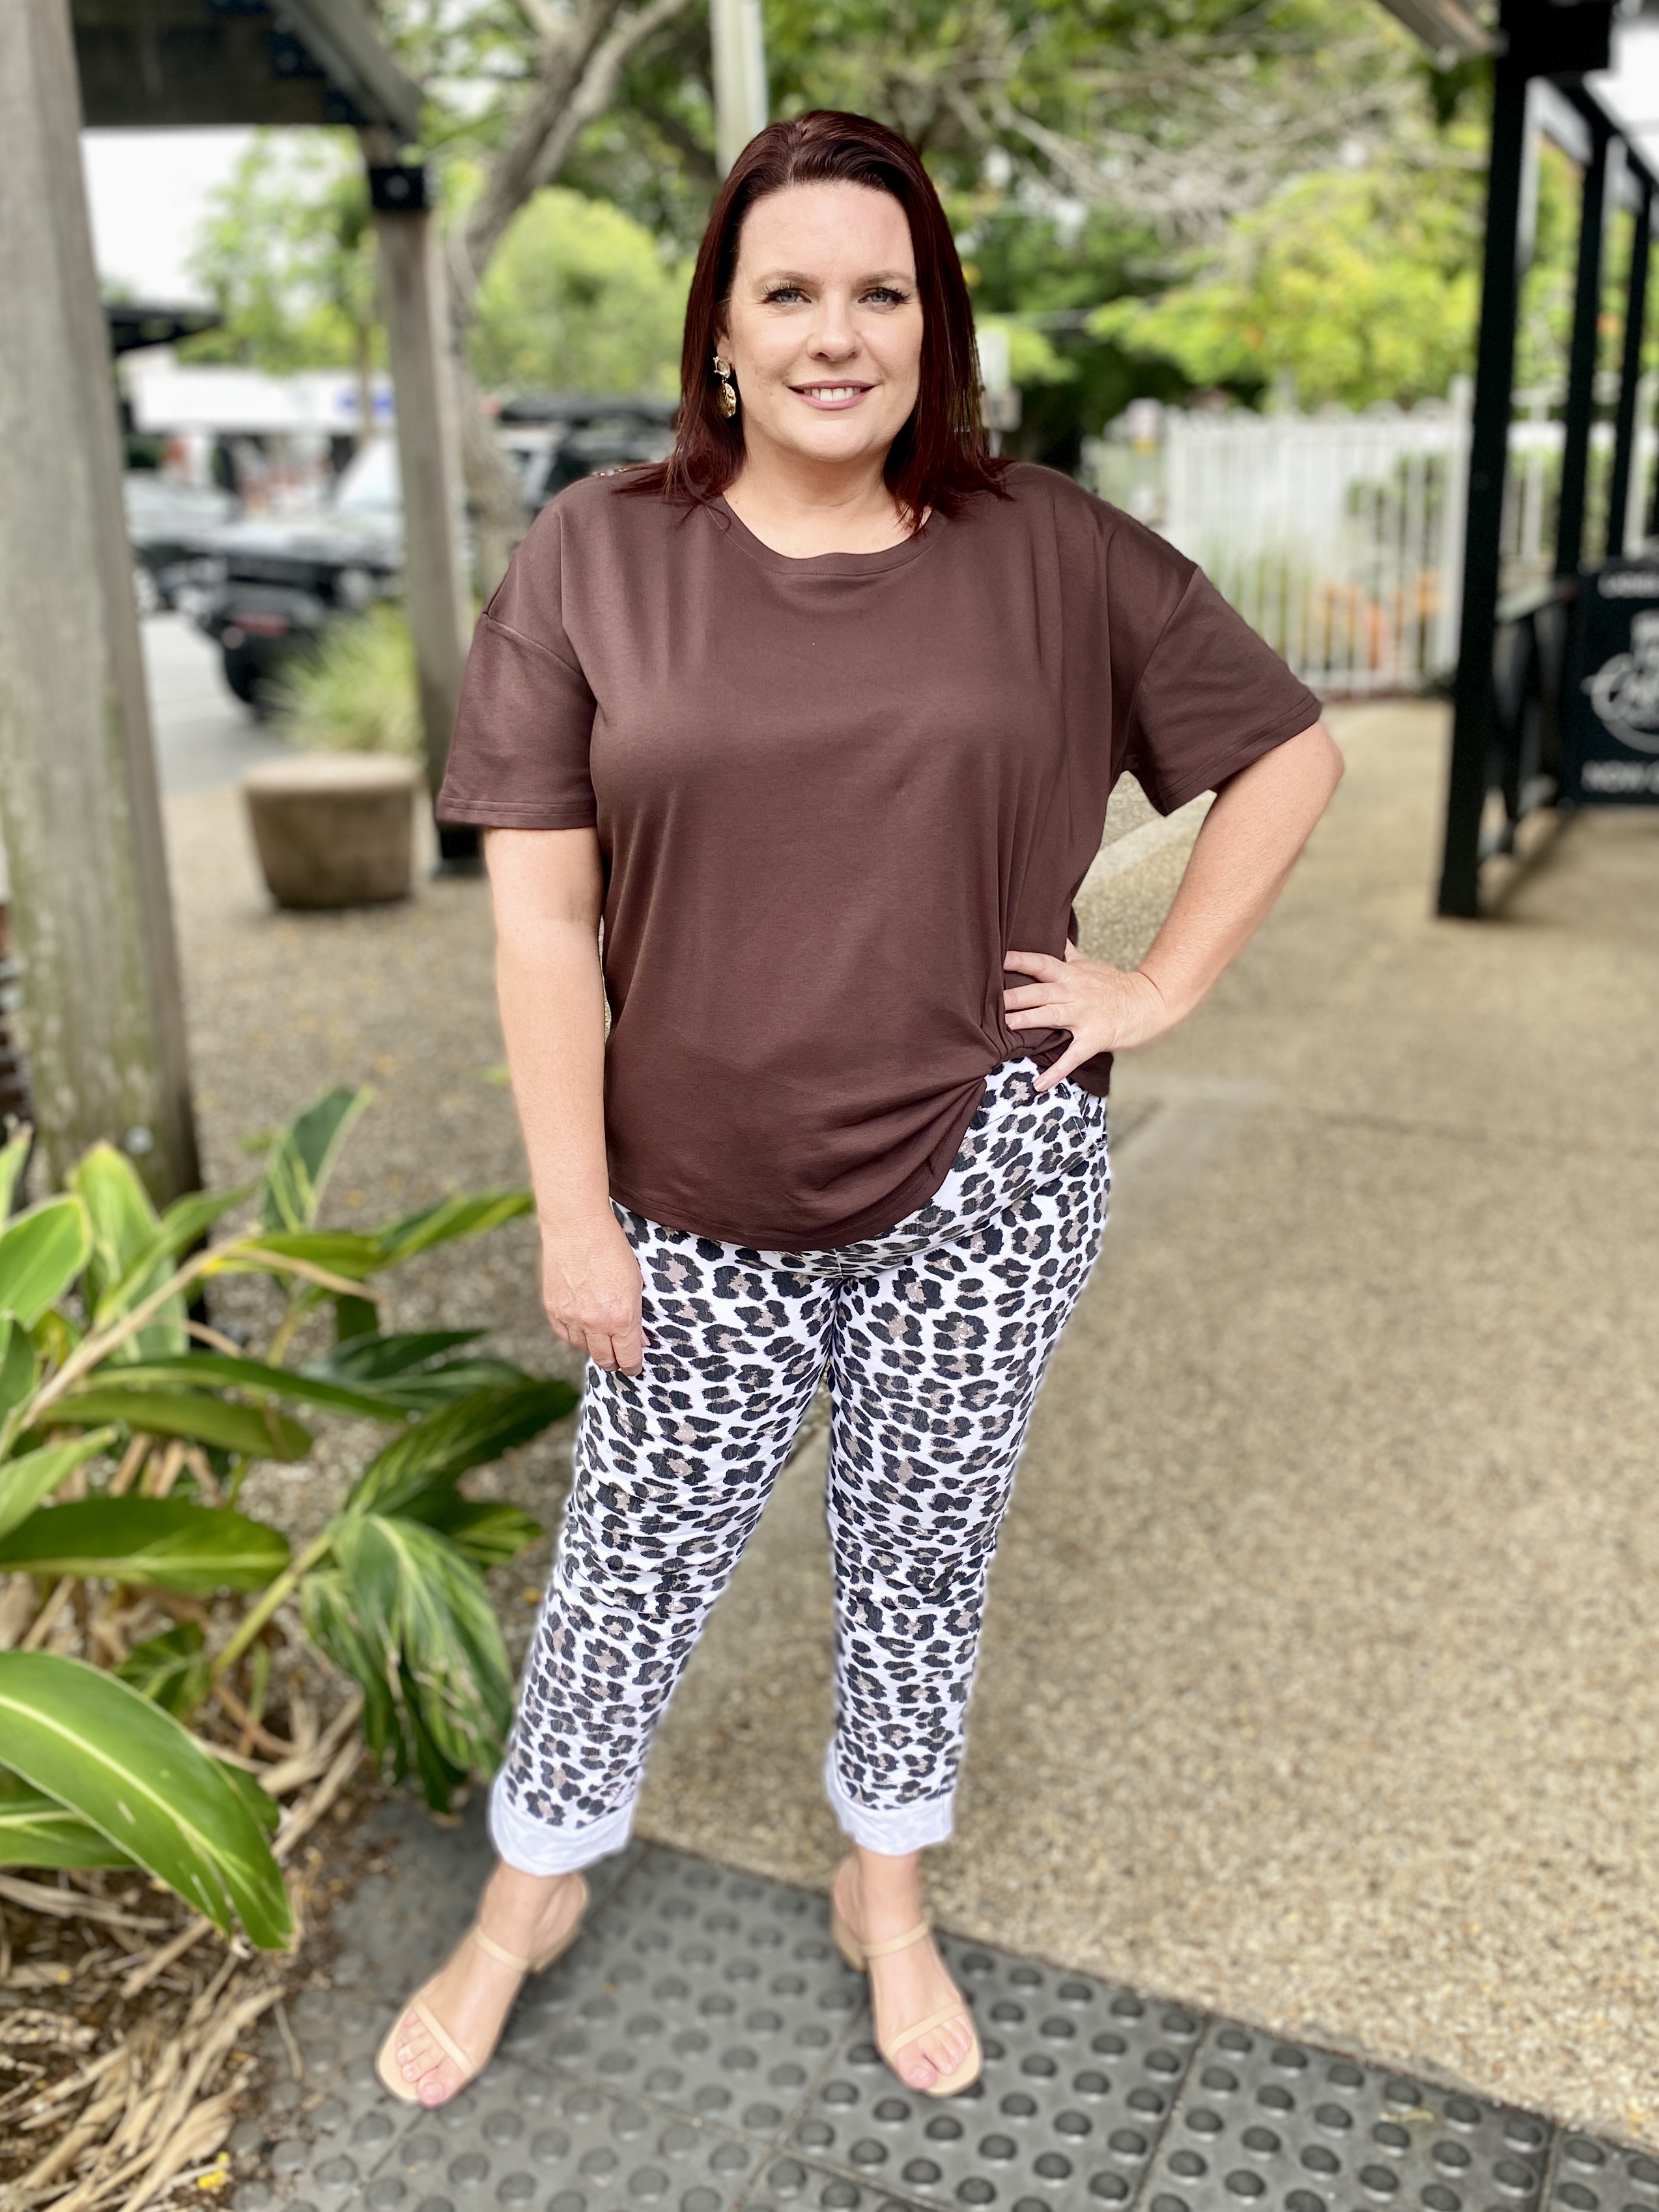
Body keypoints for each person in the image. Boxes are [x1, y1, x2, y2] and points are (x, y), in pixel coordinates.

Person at [377, 107, 1343, 2113]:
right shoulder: (595, 556)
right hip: (685, 1191)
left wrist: (1156, 982)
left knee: (922, 1554)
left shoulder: (1050, 550)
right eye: (790, 291)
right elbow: (541, 927)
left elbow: (1284, 753)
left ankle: (882, 1889)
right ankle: (526, 1891)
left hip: (982, 1177)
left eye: (881, 293)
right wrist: (571, 1212)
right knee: (630, 1563)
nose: (837, 333)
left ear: (933, 324)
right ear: (721, 330)